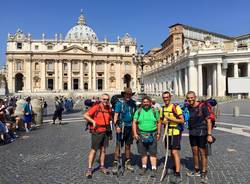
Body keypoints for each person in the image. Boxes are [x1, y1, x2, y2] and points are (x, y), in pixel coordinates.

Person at [186, 91, 213, 184]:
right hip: (192, 132)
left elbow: (208, 120)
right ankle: (196, 170)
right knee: (194, 151)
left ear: (195, 97)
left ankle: (204, 172)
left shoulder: (203, 107)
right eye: (188, 98)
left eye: (191, 97)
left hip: (202, 132)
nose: (190, 99)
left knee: (202, 152)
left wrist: (209, 135)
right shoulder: (188, 107)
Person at [83, 93, 112, 179]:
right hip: (97, 132)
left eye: (107, 99)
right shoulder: (96, 107)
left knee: (103, 150)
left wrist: (110, 133)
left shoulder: (108, 109)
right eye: (104, 99)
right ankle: (89, 169)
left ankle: (102, 167)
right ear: (101, 99)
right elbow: (85, 115)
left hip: (106, 131)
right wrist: (93, 121)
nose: (105, 101)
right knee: (94, 150)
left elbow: (109, 120)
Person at [132, 95, 161, 177]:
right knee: (143, 152)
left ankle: (154, 168)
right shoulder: (138, 111)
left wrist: (159, 133)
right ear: (142, 103)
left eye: (147, 102)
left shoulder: (155, 111)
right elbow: (134, 122)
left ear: (150, 102)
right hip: (141, 134)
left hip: (153, 134)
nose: (146, 104)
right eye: (144, 102)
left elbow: (159, 122)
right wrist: (134, 133)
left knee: (153, 152)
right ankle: (144, 167)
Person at [160, 91, 184, 183]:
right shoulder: (162, 109)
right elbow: (161, 120)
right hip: (167, 133)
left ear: (170, 98)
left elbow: (182, 120)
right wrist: (163, 122)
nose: (165, 99)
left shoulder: (175, 107)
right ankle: (175, 166)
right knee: (170, 151)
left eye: (167, 97)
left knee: (174, 151)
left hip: (175, 132)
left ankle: (178, 173)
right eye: (164, 97)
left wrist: (170, 119)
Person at [112, 88, 137, 174]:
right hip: (121, 127)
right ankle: (115, 162)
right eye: (127, 94)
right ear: (124, 95)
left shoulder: (133, 104)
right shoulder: (119, 104)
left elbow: (135, 116)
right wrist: (116, 127)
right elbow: (115, 116)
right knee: (118, 145)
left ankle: (127, 162)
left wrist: (135, 129)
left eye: (130, 94)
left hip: (130, 127)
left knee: (128, 146)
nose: (128, 96)